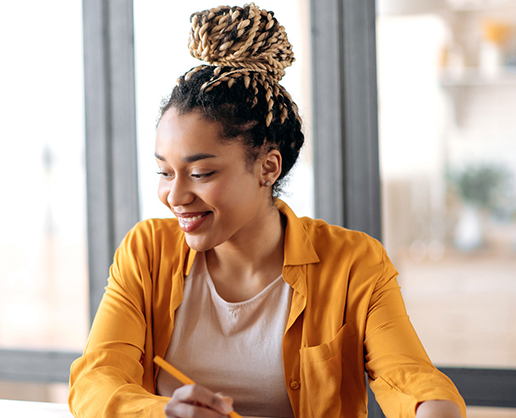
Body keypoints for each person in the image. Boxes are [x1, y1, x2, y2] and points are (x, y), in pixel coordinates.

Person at [68, 4, 466, 418]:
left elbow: (409, 377)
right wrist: (164, 413)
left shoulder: (354, 263)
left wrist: (434, 409)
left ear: (267, 167)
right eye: (165, 172)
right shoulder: (147, 252)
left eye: (201, 173)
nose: (175, 195)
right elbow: (96, 380)